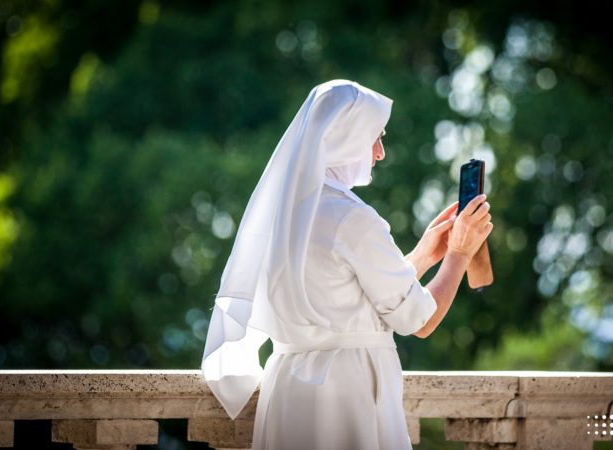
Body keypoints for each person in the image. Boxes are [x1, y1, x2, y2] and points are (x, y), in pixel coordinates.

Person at [200, 79, 493, 449]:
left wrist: (422, 256)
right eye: (375, 137)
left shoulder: (281, 214)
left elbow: (346, 296)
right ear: (346, 138)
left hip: (287, 392)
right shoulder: (353, 218)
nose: (380, 152)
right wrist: (460, 254)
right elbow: (420, 321)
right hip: (347, 393)